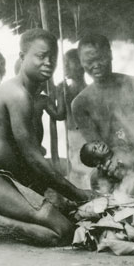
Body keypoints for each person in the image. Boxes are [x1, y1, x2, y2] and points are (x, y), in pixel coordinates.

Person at [0, 29, 100, 249]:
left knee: (66, 218)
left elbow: (27, 161)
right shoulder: (17, 94)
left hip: (0, 178)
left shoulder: (29, 96)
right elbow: (33, 158)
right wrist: (78, 193)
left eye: (52, 57)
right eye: (41, 56)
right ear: (22, 58)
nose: (48, 62)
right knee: (62, 232)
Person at [72, 33, 134, 153]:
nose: (96, 65)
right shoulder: (80, 104)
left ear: (110, 55)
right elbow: (99, 152)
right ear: (81, 62)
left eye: (101, 58)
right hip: (110, 165)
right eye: (90, 61)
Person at [56, 49, 90, 188]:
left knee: (86, 168)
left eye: (69, 62)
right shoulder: (65, 90)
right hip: (71, 137)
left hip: (85, 136)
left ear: (81, 65)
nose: (65, 66)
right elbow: (60, 115)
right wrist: (59, 95)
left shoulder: (89, 90)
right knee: (75, 169)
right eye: (63, 62)